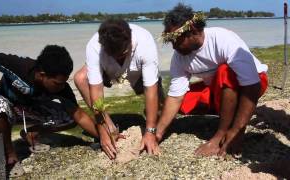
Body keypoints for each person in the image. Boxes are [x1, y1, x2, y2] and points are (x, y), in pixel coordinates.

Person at [0, 32, 99, 177]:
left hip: (30, 110)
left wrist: (103, 136)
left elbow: (80, 116)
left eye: (64, 82)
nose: (62, 87)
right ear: (42, 74)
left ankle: (31, 134)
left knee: (69, 117)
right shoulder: (19, 67)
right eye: (57, 83)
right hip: (4, 111)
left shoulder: (62, 88)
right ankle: (9, 155)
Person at [153, 3, 268, 156]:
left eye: (176, 39)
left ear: (192, 31)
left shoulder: (222, 39)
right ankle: (227, 111)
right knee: (181, 104)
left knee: (224, 71)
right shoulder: (179, 57)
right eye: (170, 40)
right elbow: (175, 96)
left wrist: (237, 130)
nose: (173, 47)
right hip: (218, 87)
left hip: (254, 81)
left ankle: (221, 132)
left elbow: (252, 84)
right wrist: (157, 134)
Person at [74, 18, 163, 159]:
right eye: (113, 55)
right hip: (109, 72)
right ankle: (110, 126)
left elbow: (150, 89)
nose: (118, 58)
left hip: (137, 72)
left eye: (122, 54)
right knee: (80, 78)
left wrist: (150, 131)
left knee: (159, 114)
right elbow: (96, 92)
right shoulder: (94, 46)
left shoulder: (145, 41)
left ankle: (151, 118)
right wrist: (102, 127)